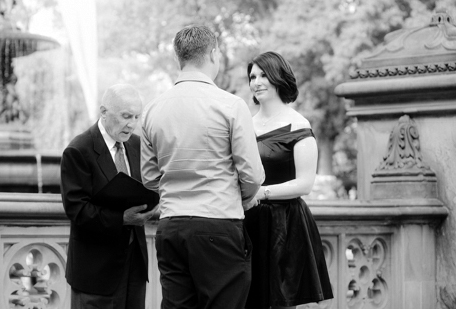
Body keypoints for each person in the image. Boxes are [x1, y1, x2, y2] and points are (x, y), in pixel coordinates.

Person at [141, 25, 265, 309]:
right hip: (218, 222)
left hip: (171, 226)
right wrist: (243, 198)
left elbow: (149, 180)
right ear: (213, 54)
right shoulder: (231, 106)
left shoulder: (152, 109)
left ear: (178, 59)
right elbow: (252, 175)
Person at [243, 51, 333, 309]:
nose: (256, 82)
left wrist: (261, 193)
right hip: (248, 222)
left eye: (263, 75)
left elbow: (305, 184)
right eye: (252, 77)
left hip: (284, 225)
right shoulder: (246, 124)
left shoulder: (298, 125)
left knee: (279, 302)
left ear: (278, 78)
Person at [60, 84, 155, 309]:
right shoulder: (78, 150)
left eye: (136, 116)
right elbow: (77, 210)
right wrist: (122, 218)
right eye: (125, 116)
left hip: (134, 268)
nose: (131, 124)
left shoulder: (137, 144)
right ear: (104, 112)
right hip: (95, 274)